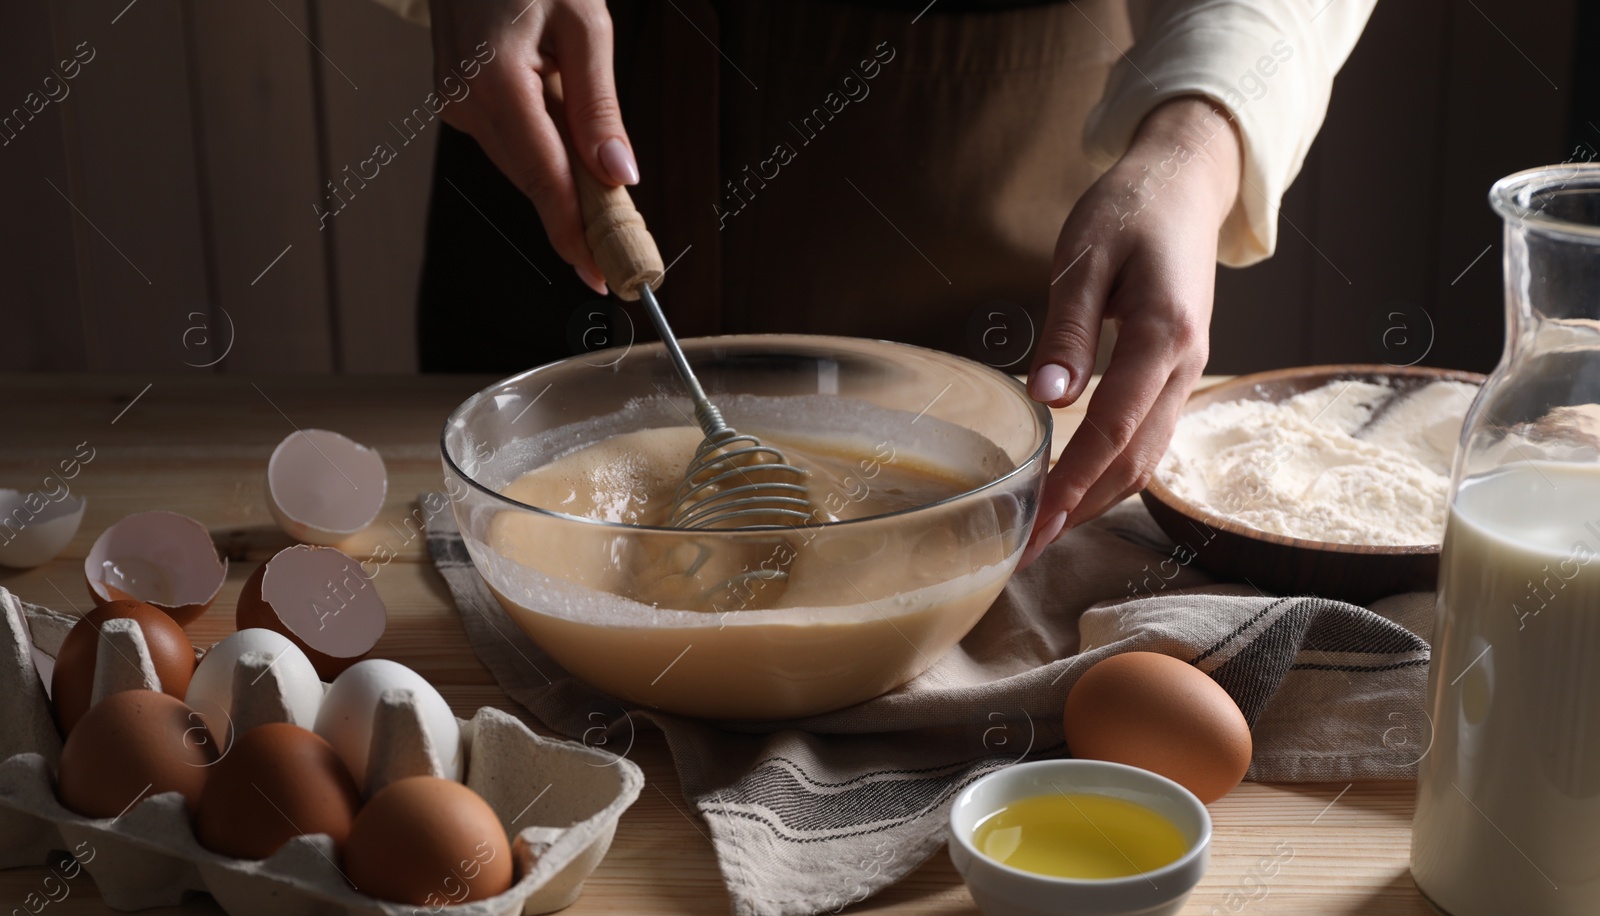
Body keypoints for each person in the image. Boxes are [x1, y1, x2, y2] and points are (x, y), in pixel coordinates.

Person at [377, 0, 1375, 564]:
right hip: (546, 122)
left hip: (970, 162)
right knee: (491, 543)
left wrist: (1196, 144)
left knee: (970, 505)